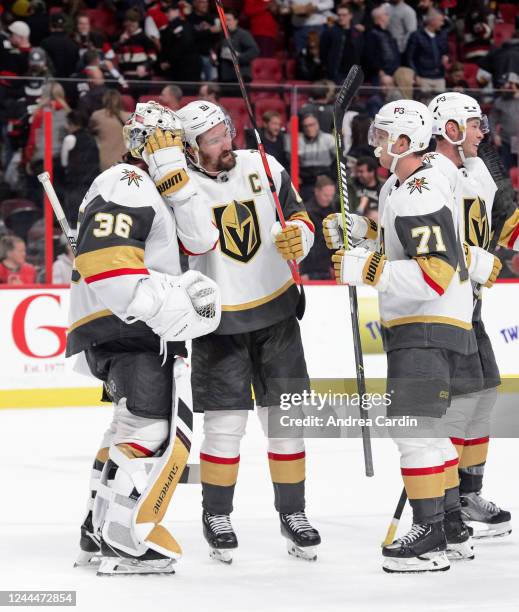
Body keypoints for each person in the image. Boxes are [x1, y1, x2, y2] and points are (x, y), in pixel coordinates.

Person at [150, 99, 320, 563]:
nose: (226, 142)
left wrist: (300, 239)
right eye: (213, 139)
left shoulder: (263, 164)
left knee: (286, 425)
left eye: (226, 131)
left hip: (278, 313)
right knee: (225, 427)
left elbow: (300, 218)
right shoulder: (177, 189)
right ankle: (217, 515)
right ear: (190, 148)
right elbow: (186, 246)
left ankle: (294, 513)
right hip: (218, 322)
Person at [324, 100, 480, 572]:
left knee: (413, 430)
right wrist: (368, 232)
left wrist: (368, 268)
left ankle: (429, 534)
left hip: (427, 323)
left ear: (405, 142)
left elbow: (433, 273)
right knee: (430, 431)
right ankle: (450, 525)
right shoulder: (411, 180)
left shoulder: (417, 190)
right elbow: (412, 243)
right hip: (441, 324)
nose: (374, 144)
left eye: (381, 135)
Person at [70, 101, 221, 575]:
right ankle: (123, 539)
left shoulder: (154, 189)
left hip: (129, 327)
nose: (180, 151)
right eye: (172, 142)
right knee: (151, 433)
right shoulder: (129, 182)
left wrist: (177, 181)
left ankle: (97, 530)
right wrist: (169, 307)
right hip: (133, 327)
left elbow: (202, 240)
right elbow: (106, 264)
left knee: (127, 427)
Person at [426, 91, 519, 539]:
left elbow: (508, 218)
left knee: (483, 396)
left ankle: (467, 493)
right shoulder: (429, 176)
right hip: (442, 308)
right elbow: (429, 241)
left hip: (473, 308)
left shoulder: (480, 168)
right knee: (456, 408)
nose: (484, 131)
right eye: (475, 123)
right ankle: (443, 504)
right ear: (451, 128)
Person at [61, 111, 100, 228]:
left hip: (75, 184)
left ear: (72, 124)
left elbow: (64, 163)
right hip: (92, 183)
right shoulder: (93, 139)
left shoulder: (70, 139)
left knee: (75, 220)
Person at [301, 175, 336, 279]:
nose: (329, 199)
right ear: (317, 191)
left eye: (331, 195)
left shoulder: (333, 210)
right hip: (310, 267)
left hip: (328, 267)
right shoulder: (307, 213)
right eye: (326, 195)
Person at [405, 8, 448, 94]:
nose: (442, 23)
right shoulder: (416, 36)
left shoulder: (442, 35)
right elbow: (409, 58)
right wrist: (416, 75)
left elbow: (445, 51)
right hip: (423, 77)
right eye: (441, 20)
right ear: (433, 21)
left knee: (439, 106)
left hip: (439, 77)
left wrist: (445, 56)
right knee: (424, 104)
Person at [159, 2, 202, 85]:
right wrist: (163, 61)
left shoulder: (184, 25)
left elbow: (184, 45)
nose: (166, 14)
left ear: (177, 11)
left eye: (169, 11)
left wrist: (169, 62)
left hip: (187, 68)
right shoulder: (167, 28)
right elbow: (165, 47)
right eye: (165, 12)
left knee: (189, 94)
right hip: (176, 69)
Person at [297, 111, 336, 200]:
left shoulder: (329, 139)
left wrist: (330, 178)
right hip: (307, 182)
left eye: (311, 125)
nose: (309, 128)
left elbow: (337, 161)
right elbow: (294, 165)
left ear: (317, 124)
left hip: (327, 179)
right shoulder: (298, 142)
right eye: (306, 126)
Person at [320, 4, 363, 85]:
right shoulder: (329, 33)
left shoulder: (357, 34)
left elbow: (360, 53)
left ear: (350, 16)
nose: (341, 17)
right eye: (339, 15)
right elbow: (323, 53)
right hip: (335, 74)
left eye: (344, 15)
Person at [90, 89, 131, 171]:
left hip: (104, 163)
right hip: (124, 163)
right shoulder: (129, 117)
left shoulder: (97, 116)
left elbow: (91, 133)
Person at [217, 9, 259, 83]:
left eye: (228, 20)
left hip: (240, 77)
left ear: (236, 21)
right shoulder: (221, 35)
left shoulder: (243, 34)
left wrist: (238, 58)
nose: (225, 22)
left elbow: (255, 50)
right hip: (224, 77)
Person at [489, 72, 519, 172]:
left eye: (504, 84)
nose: (502, 87)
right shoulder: (499, 101)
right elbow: (492, 120)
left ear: (513, 84)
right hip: (505, 140)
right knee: (505, 169)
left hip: (517, 140)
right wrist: (495, 135)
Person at [364, 5, 400, 83]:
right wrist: (379, 71)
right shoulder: (371, 34)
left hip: (393, 73)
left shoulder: (388, 33)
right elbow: (369, 56)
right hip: (379, 75)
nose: (388, 16)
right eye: (386, 14)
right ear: (379, 18)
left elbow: (395, 53)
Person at [40, 12, 79, 78]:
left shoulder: (45, 43)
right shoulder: (73, 43)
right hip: (68, 82)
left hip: (51, 83)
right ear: (63, 25)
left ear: (51, 25)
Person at [188, 0, 219, 80]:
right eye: (202, 2)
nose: (205, 4)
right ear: (195, 3)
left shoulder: (213, 18)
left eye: (206, 2)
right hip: (194, 57)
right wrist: (209, 31)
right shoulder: (190, 18)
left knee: (211, 84)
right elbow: (191, 36)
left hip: (209, 56)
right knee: (197, 83)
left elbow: (218, 35)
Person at [347, 156, 381, 220]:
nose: (358, 174)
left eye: (361, 171)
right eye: (357, 171)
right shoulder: (352, 186)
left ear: (371, 172)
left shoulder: (383, 188)